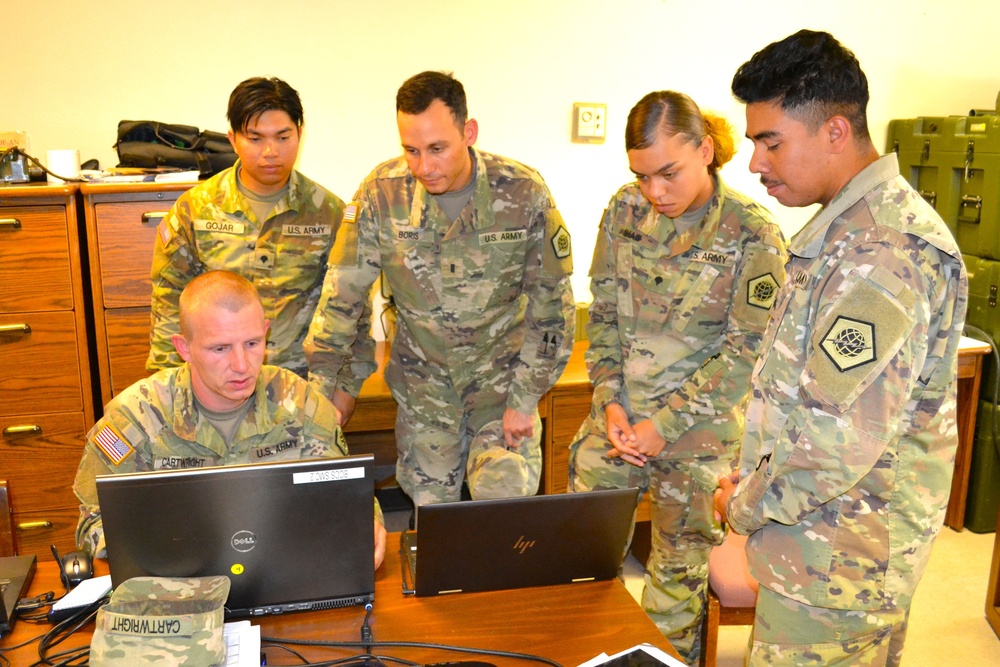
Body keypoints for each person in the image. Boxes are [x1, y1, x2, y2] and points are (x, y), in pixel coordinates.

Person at [714, 30, 968, 665]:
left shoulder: (882, 251)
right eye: (753, 143)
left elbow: (834, 443)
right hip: (826, 544)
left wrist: (744, 505)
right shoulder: (848, 231)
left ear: (833, 131)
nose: (754, 162)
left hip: (840, 563)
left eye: (770, 141)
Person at [567, 91, 787, 664]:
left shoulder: (752, 234)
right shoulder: (623, 211)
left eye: (669, 173)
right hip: (616, 429)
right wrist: (612, 403)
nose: (655, 192)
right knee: (580, 575)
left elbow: (746, 352)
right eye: (641, 177)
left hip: (695, 441)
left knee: (674, 591)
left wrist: (663, 425)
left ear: (706, 150)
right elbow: (605, 314)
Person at [305, 71, 575, 505]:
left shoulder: (524, 193)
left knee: (502, 508)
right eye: (410, 150)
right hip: (425, 390)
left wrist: (525, 398)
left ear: (468, 132)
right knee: (432, 517)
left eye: (437, 149)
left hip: (502, 389)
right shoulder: (381, 194)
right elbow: (342, 300)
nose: (424, 167)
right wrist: (322, 392)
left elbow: (553, 312)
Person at [74, 271, 387, 569]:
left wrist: (366, 520)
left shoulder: (301, 404)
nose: (241, 365)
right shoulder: (136, 418)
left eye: (252, 344)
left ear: (266, 332)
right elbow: (94, 521)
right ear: (184, 348)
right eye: (220, 348)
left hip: (280, 575)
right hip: (178, 586)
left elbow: (344, 491)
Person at [148, 76, 354, 379]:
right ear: (233, 139)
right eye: (255, 139)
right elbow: (169, 306)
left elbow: (348, 310)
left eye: (283, 138)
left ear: (299, 134)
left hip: (300, 386)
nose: (270, 151)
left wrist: (343, 390)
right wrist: (167, 390)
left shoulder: (329, 213)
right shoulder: (194, 210)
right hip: (216, 385)